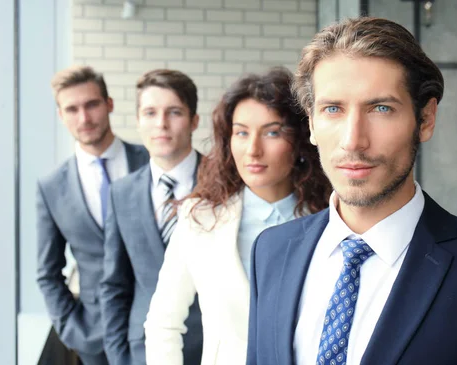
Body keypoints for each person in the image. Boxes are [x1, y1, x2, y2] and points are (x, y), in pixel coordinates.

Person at [246, 17, 457, 365]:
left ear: (425, 119)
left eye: (381, 108)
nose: (353, 140)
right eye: (333, 109)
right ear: (311, 122)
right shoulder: (270, 251)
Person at [143, 67, 331, 365]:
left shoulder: (330, 219)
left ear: (299, 142)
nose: (253, 150)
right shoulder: (200, 218)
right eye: (242, 132)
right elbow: (163, 323)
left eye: (272, 132)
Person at [36, 65, 149, 365]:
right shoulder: (51, 187)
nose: (83, 118)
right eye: (72, 109)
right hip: (93, 338)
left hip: (158, 327)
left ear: (109, 104)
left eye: (91, 104)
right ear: (61, 115)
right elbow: (48, 271)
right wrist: (72, 329)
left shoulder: (151, 161)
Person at [99, 69, 204, 365]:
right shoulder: (121, 193)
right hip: (142, 350)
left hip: (213, 347)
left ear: (194, 120)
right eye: (150, 112)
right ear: (137, 121)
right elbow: (114, 284)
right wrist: (118, 356)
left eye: (174, 112)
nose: (161, 124)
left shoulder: (224, 183)